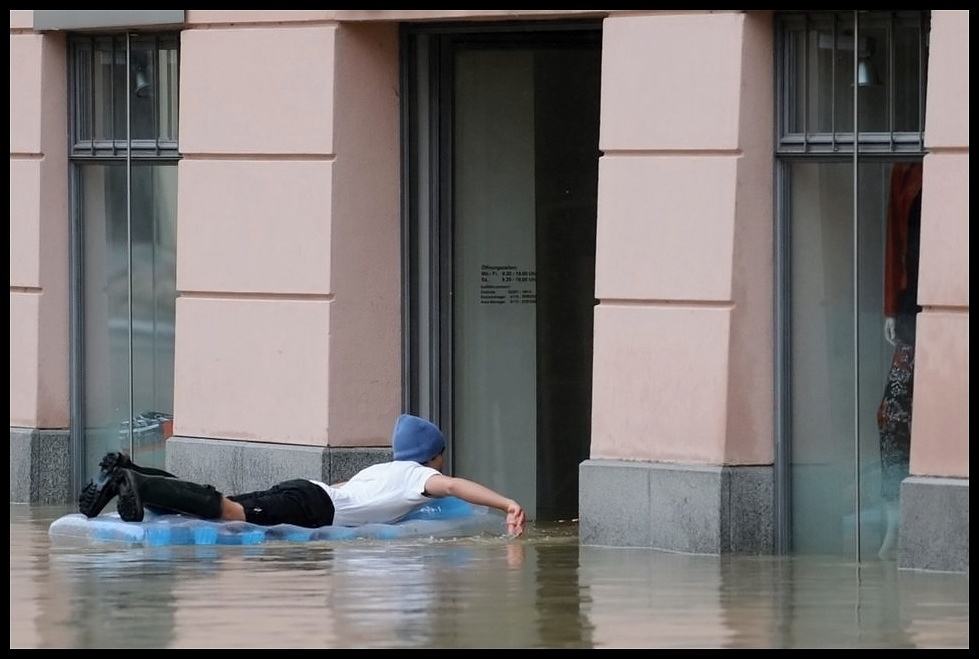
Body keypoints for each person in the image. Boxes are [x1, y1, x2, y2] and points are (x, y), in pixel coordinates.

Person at [78, 414, 526, 537]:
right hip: (315, 507)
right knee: (229, 510)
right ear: (434, 456)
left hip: (309, 489)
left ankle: (128, 470)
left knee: (219, 502)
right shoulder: (416, 477)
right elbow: (452, 486)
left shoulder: (380, 467)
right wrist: (507, 503)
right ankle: (137, 483)